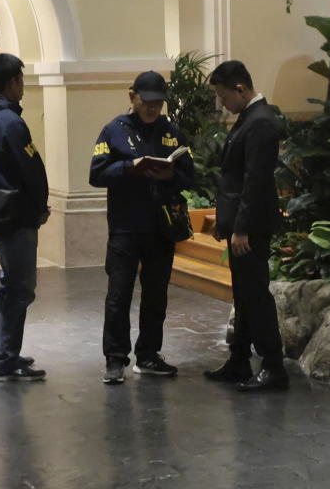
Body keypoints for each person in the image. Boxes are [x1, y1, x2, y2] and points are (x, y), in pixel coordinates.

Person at [89, 71, 194, 385]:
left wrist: (171, 177)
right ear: (132, 95)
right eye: (147, 101)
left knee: (156, 296)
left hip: (160, 227)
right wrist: (129, 167)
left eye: (159, 102)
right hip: (125, 227)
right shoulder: (113, 131)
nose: (153, 108)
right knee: (118, 296)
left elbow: (189, 175)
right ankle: (115, 358)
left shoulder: (172, 133)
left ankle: (148, 354)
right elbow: (96, 174)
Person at [203, 60, 288, 392]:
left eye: (224, 97)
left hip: (251, 227)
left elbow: (255, 181)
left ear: (240, 88)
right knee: (244, 294)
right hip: (241, 223)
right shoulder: (248, 119)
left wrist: (241, 228)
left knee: (255, 295)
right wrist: (225, 222)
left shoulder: (261, 123)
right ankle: (239, 360)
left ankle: (273, 365)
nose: (223, 104)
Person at [0, 53, 50, 381]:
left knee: (8, 284)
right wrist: (39, 206)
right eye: (21, 80)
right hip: (15, 214)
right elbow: (29, 170)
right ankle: (5, 359)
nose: (24, 86)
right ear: (11, 83)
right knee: (21, 288)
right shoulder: (10, 122)